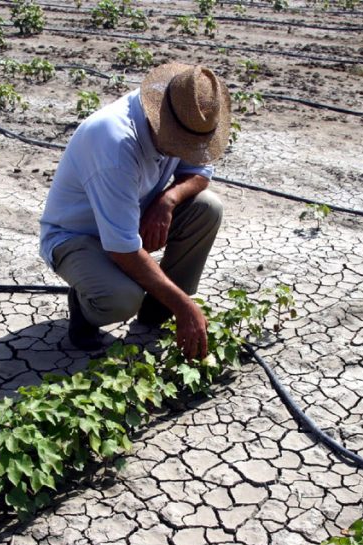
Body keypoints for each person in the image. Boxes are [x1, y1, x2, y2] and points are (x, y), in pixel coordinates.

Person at [39, 62, 231, 360]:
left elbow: (200, 173)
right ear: (162, 122)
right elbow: (122, 249)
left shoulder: (186, 113)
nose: (187, 150)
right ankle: (84, 308)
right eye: (182, 144)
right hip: (77, 237)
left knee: (207, 208)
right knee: (122, 299)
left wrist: (167, 201)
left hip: (131, 218)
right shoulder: (114, 144)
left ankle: (158, 308)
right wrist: (186, 306)